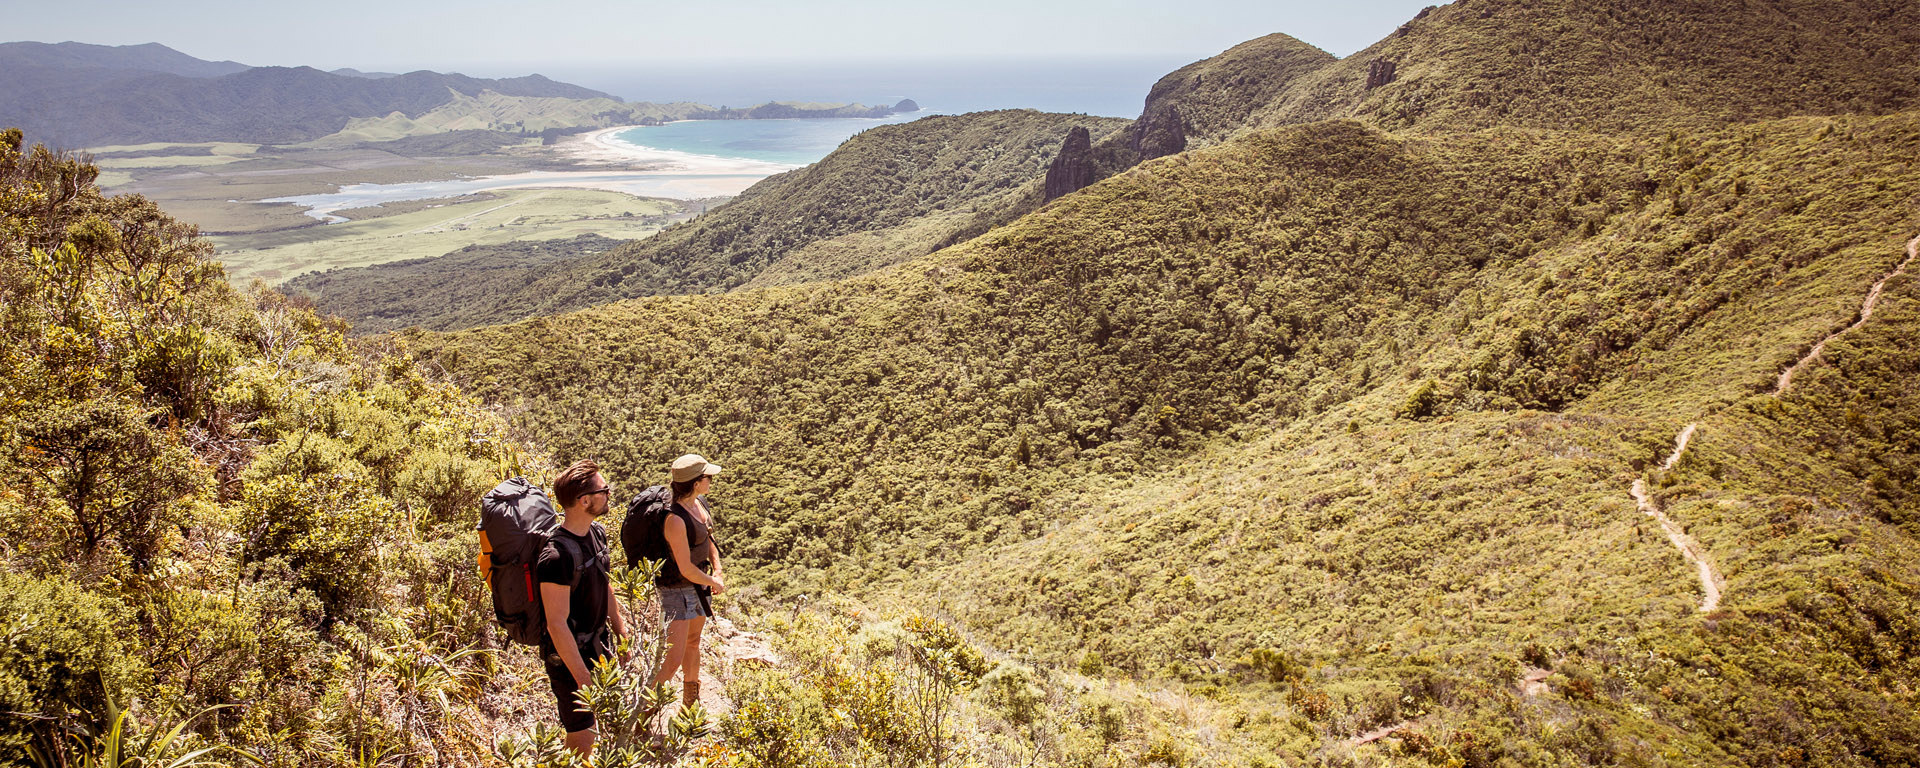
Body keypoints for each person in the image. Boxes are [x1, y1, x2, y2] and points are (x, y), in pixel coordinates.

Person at [538, 460, 631, 758]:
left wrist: (621, 632)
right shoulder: (555, 556)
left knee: (598, 728)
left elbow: (605, 585)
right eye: (603, 490)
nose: (608, 494)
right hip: (568, 658)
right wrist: (583, 678)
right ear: (584, 501)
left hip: (598, 644)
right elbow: (556, 624)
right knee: (582, 736)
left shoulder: (598, 533)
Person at [648, 453, 726, 708]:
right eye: (708, 476)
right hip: (677, 589)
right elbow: (684, 568)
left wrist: (717, 570)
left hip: (699, 583)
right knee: (673, 656)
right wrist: (713, 582)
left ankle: (690, 702)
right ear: (695, 482)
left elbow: (708, 539)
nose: (711, 480)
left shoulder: (700, 504)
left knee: (693, 643)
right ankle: (644, 714)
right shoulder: (674, 520)